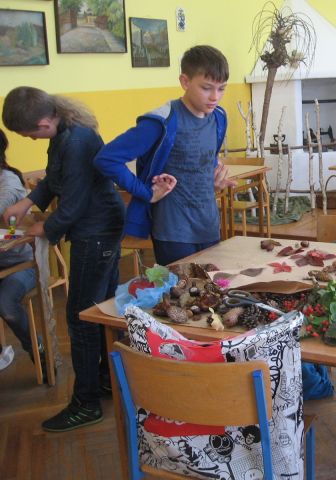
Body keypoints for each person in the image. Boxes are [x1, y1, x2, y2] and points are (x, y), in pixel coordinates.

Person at [2, 87, 131, 432]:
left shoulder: (76, 141)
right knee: (100, 310)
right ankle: (104, 379)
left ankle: (85, 403)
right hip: (99, 228)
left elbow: (72, 205)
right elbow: (54, 180)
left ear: (44, 123)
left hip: (97, 232)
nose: (30, 139)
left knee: (81, 317)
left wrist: (42, 229)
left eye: (29, 134)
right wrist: (27, 202)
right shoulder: (64, 132)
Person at [94, 45, 236, 266]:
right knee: (180, 288)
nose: (214, 97)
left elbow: (204, 160)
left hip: (209, 225)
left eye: (221, 89)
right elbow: (106, 158)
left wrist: (214, 182)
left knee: (212, 286)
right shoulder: (162, 122)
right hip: (173, 232)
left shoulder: (218, 117)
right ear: (185, 81)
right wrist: (146, 192)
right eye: (206, 88)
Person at [0, 129, 39, 372]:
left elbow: (3, 204)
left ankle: (38, 351)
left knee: (6, 305)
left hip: (21, 264)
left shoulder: (9, 181)